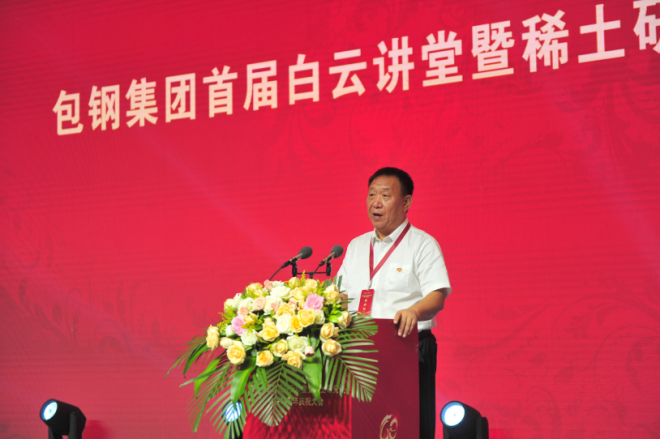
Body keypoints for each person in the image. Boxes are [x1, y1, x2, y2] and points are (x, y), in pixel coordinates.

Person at [337, 167, 451, 439]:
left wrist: (414, 310)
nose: (376, 203)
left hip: (407, 347)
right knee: (363, 426)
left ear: (406, 202)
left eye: (385, 196)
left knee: (408, 425)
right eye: (371, 195)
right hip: (359, 351)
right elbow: (340, 294)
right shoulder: (356, 246)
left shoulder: (422, 244)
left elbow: (437, 294)